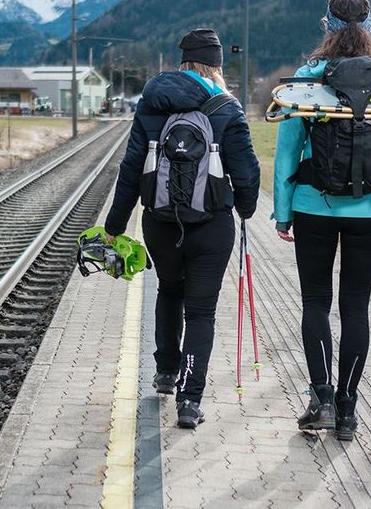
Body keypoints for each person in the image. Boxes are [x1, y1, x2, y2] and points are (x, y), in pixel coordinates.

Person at [272, 0, 371, 438]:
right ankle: (349, 409)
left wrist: (282, 213)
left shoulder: (307, 79)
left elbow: (287, 152)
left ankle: (322, 399)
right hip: (370, 210)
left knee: (315, 302)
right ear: (369, 30)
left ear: (326, 26)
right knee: (356, 306)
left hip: (313, 205)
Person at [103, 28, 260, 428]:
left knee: (169, 291)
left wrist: (114, 225)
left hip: (159, 221)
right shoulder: (226, 107)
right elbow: (247, 170)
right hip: (212, 225)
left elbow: (130, 167)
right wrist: (244, 208)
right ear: (216, 65)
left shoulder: (152, 102)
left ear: (183, 61)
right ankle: (190, 401)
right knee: (202, 310)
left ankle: (165, 372)